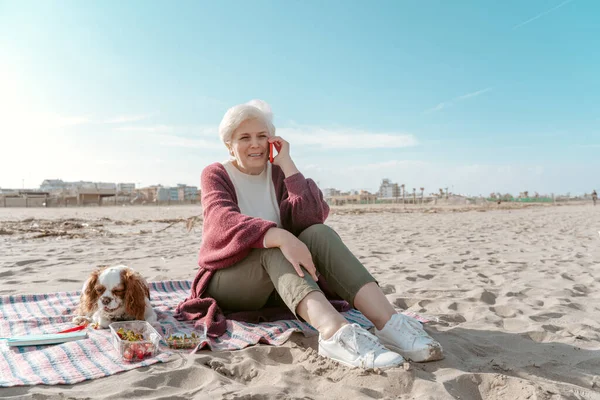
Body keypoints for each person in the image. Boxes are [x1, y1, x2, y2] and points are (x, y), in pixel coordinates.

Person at [176, 100, 443, 369]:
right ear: (229, 144)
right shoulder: (216, 173)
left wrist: (288, 164)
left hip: (281, 283)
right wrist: (281, 236)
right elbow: (222, 221)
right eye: (244, 137)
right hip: (230, 281)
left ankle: (390, 325)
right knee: (273, 248)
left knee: (319, 233)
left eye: (262, 136)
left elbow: (311, 217)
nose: (255, 144)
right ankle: (335, 334)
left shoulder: (278, 172)